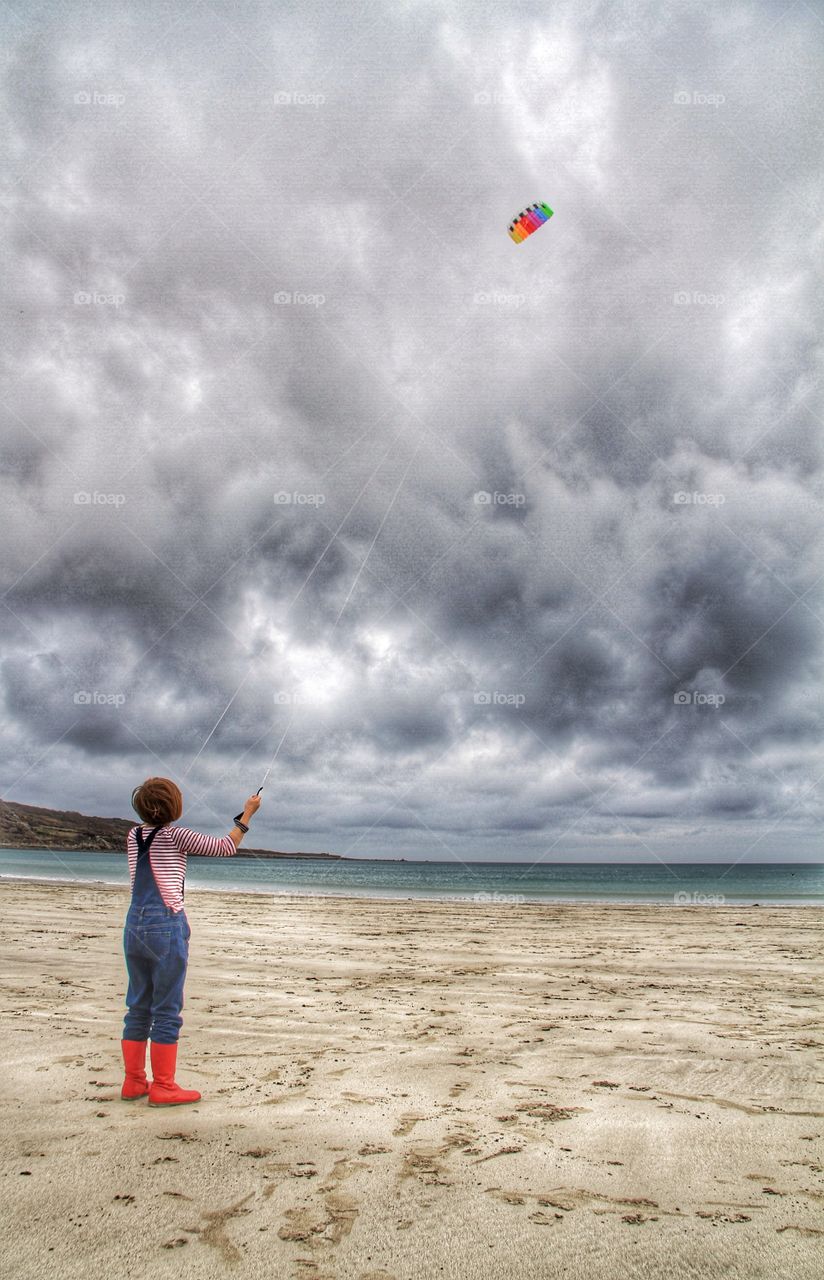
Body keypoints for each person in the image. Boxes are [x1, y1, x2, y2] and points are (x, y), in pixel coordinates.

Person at [120, 776, 261, 1106]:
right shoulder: (174, 835)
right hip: (166, 924)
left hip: (134, 925)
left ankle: (134, 1081)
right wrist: (247, 813)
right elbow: (226, 847)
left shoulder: (133, 835)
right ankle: (163, 1086)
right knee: (167, 1008)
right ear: (172, 807)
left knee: (138, 1005)